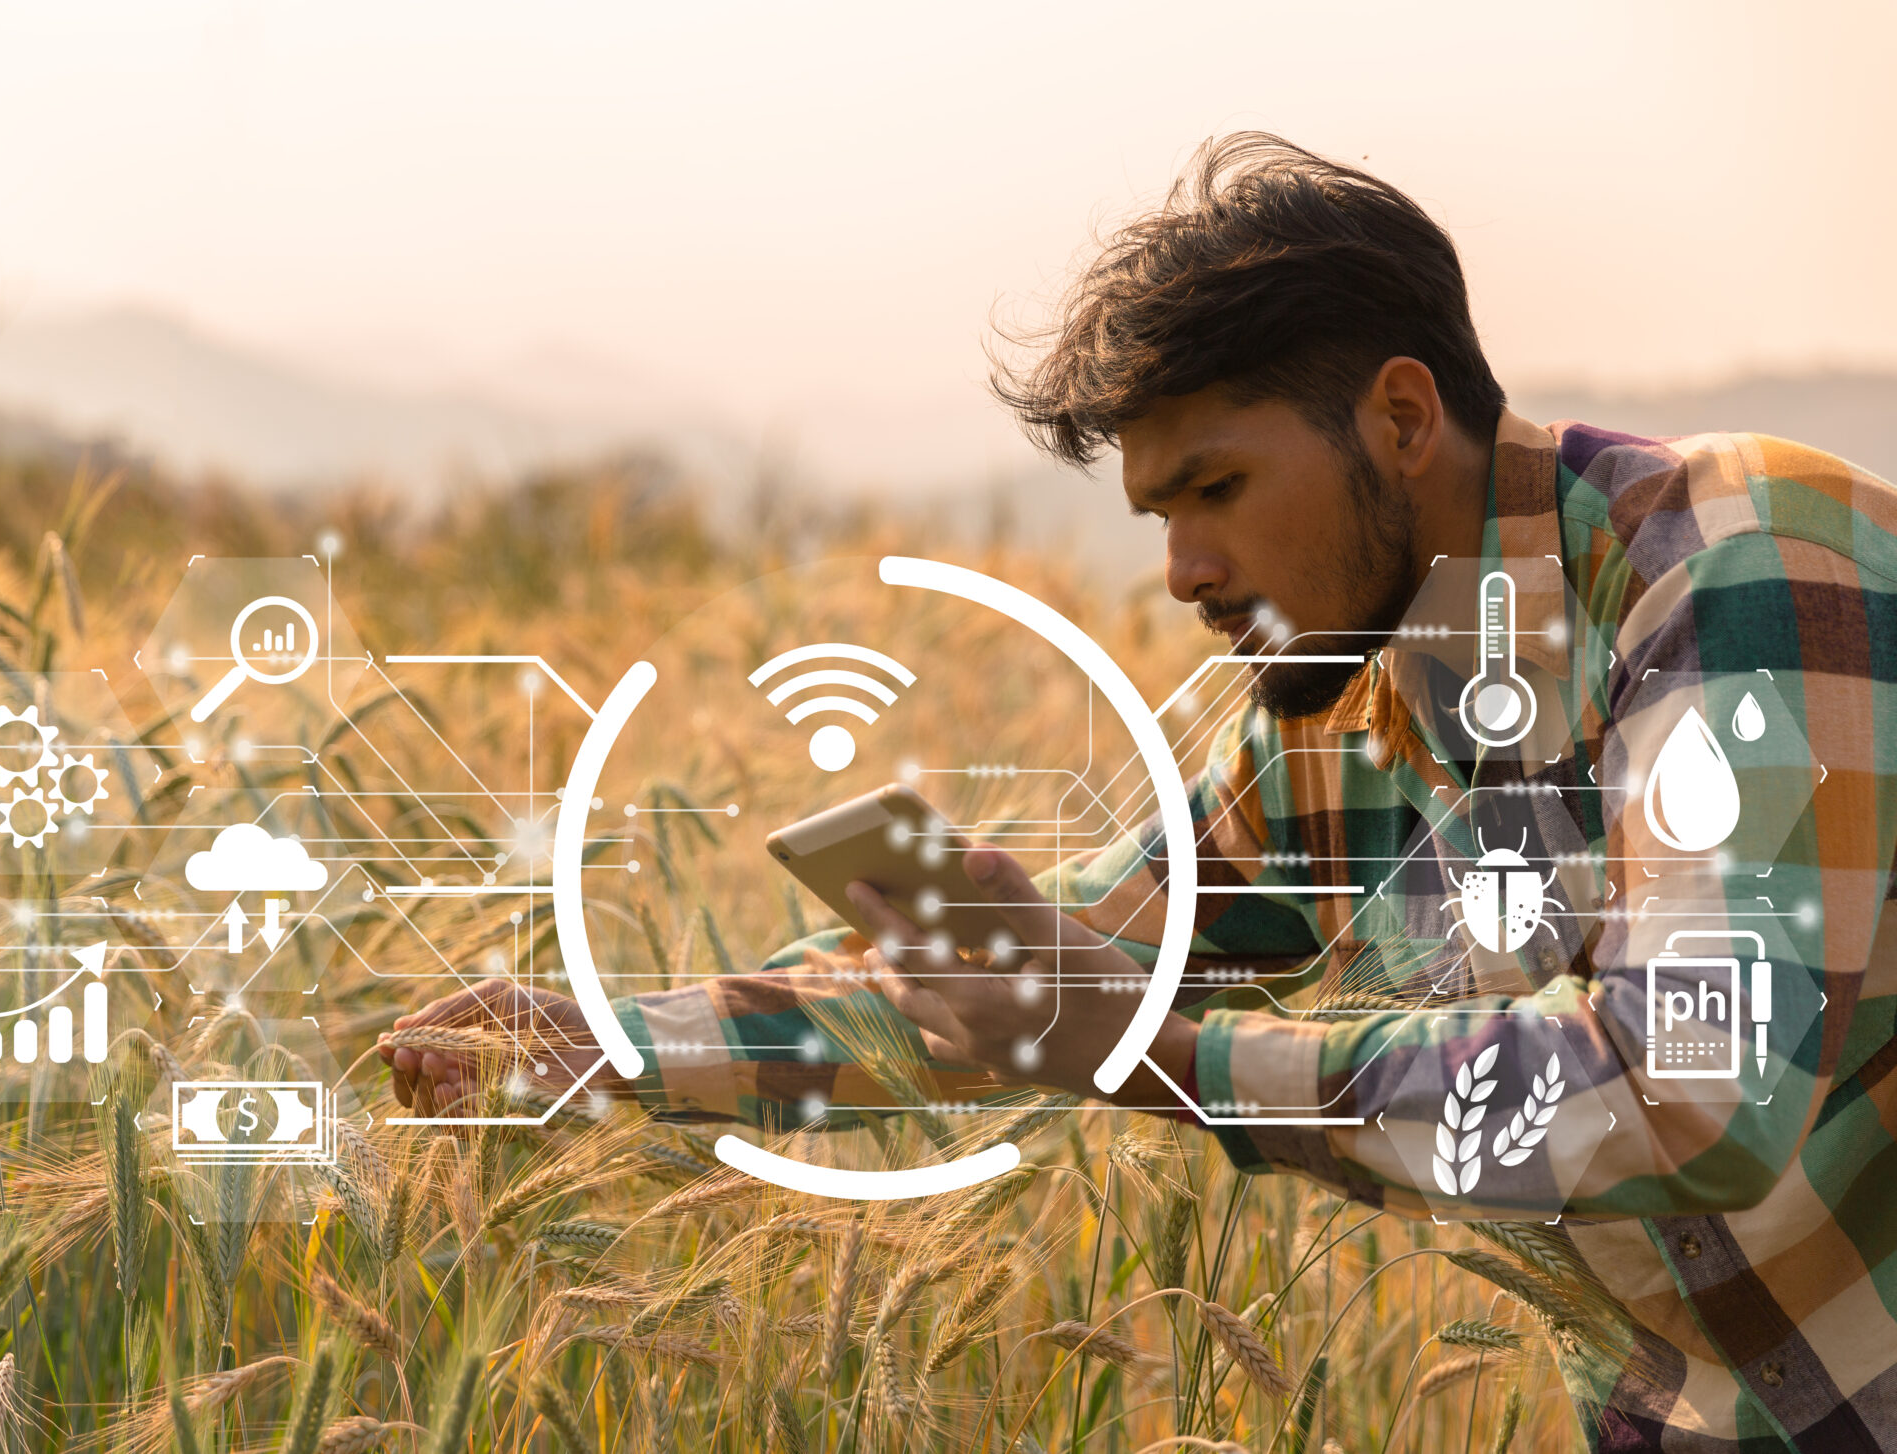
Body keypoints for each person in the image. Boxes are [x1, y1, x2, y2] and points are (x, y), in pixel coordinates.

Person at [378, 134, 1897, 1450]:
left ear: (1401, 418)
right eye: (1159, 514)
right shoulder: (1349, 706)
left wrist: (1158, 1054)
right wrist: (608, 1041)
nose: (1180, 572)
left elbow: (1691, 1097)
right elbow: (1040, 988)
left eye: (1216, 489)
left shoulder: (1741, 568)